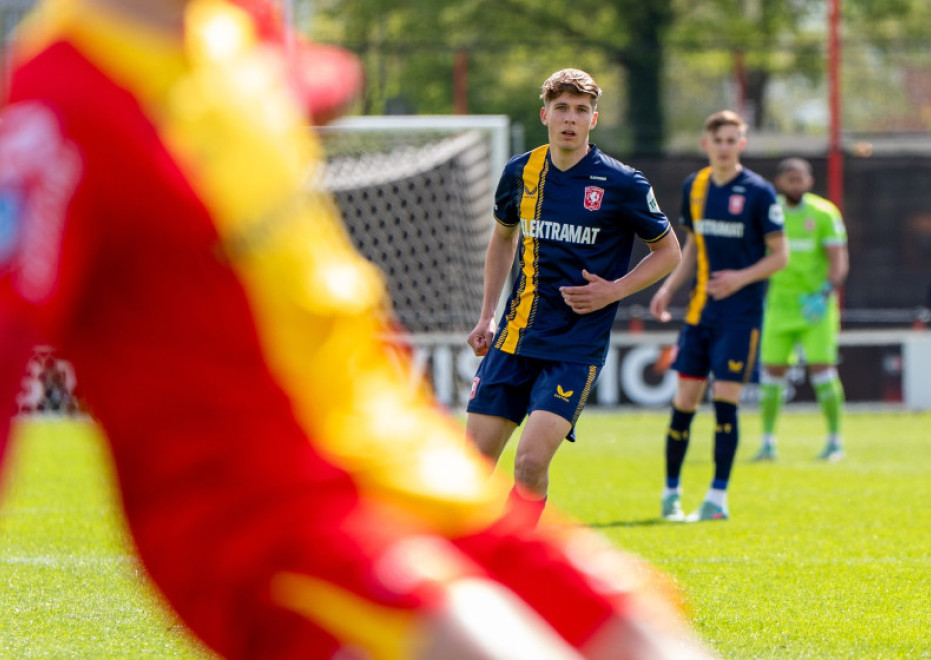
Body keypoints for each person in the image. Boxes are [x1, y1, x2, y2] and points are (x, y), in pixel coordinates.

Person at [0, 2, 707, 657]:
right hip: (264, 505)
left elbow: (312, 79)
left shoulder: (238, 28)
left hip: (396, 452)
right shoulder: (52, 112)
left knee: (644, 633)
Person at [464, 68, 681, 528]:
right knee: (470, 470)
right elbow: (502, 240)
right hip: (513, 338)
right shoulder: (520, 172)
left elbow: (669, 252)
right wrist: (486, 318)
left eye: (580, 110)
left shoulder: (623, 184)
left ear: (593, 120)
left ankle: (515, 554)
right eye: (561, 108)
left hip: (574, 348)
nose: (570, 118)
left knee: (528, 465)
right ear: (545, 114)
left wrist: (615, 290)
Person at [651, 110, 787, 522]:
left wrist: (740, 278)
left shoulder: (759, 192)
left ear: (741, 144)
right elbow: (692, 247)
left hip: (740, 317)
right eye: (718, 140)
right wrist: (668, 287)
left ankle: (717, 498)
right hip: (698, 315)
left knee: (725, 405)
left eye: (732, 140)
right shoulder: (695, 186)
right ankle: (671, 494)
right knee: (684, 404)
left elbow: (781, 255)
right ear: (705, 144)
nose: (725, 147)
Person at [749, 157, 849, 463]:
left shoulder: (823, 213)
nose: (795, 184)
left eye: (800, 179)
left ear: (810, 182)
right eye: (789, 179)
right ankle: (767, 443)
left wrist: (825, 293)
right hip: (779, 305)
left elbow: (838, 260)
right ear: (780, 182)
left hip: (814, 307)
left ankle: (834, 441)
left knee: (822, 369)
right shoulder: (770, 212)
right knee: (772, 372)